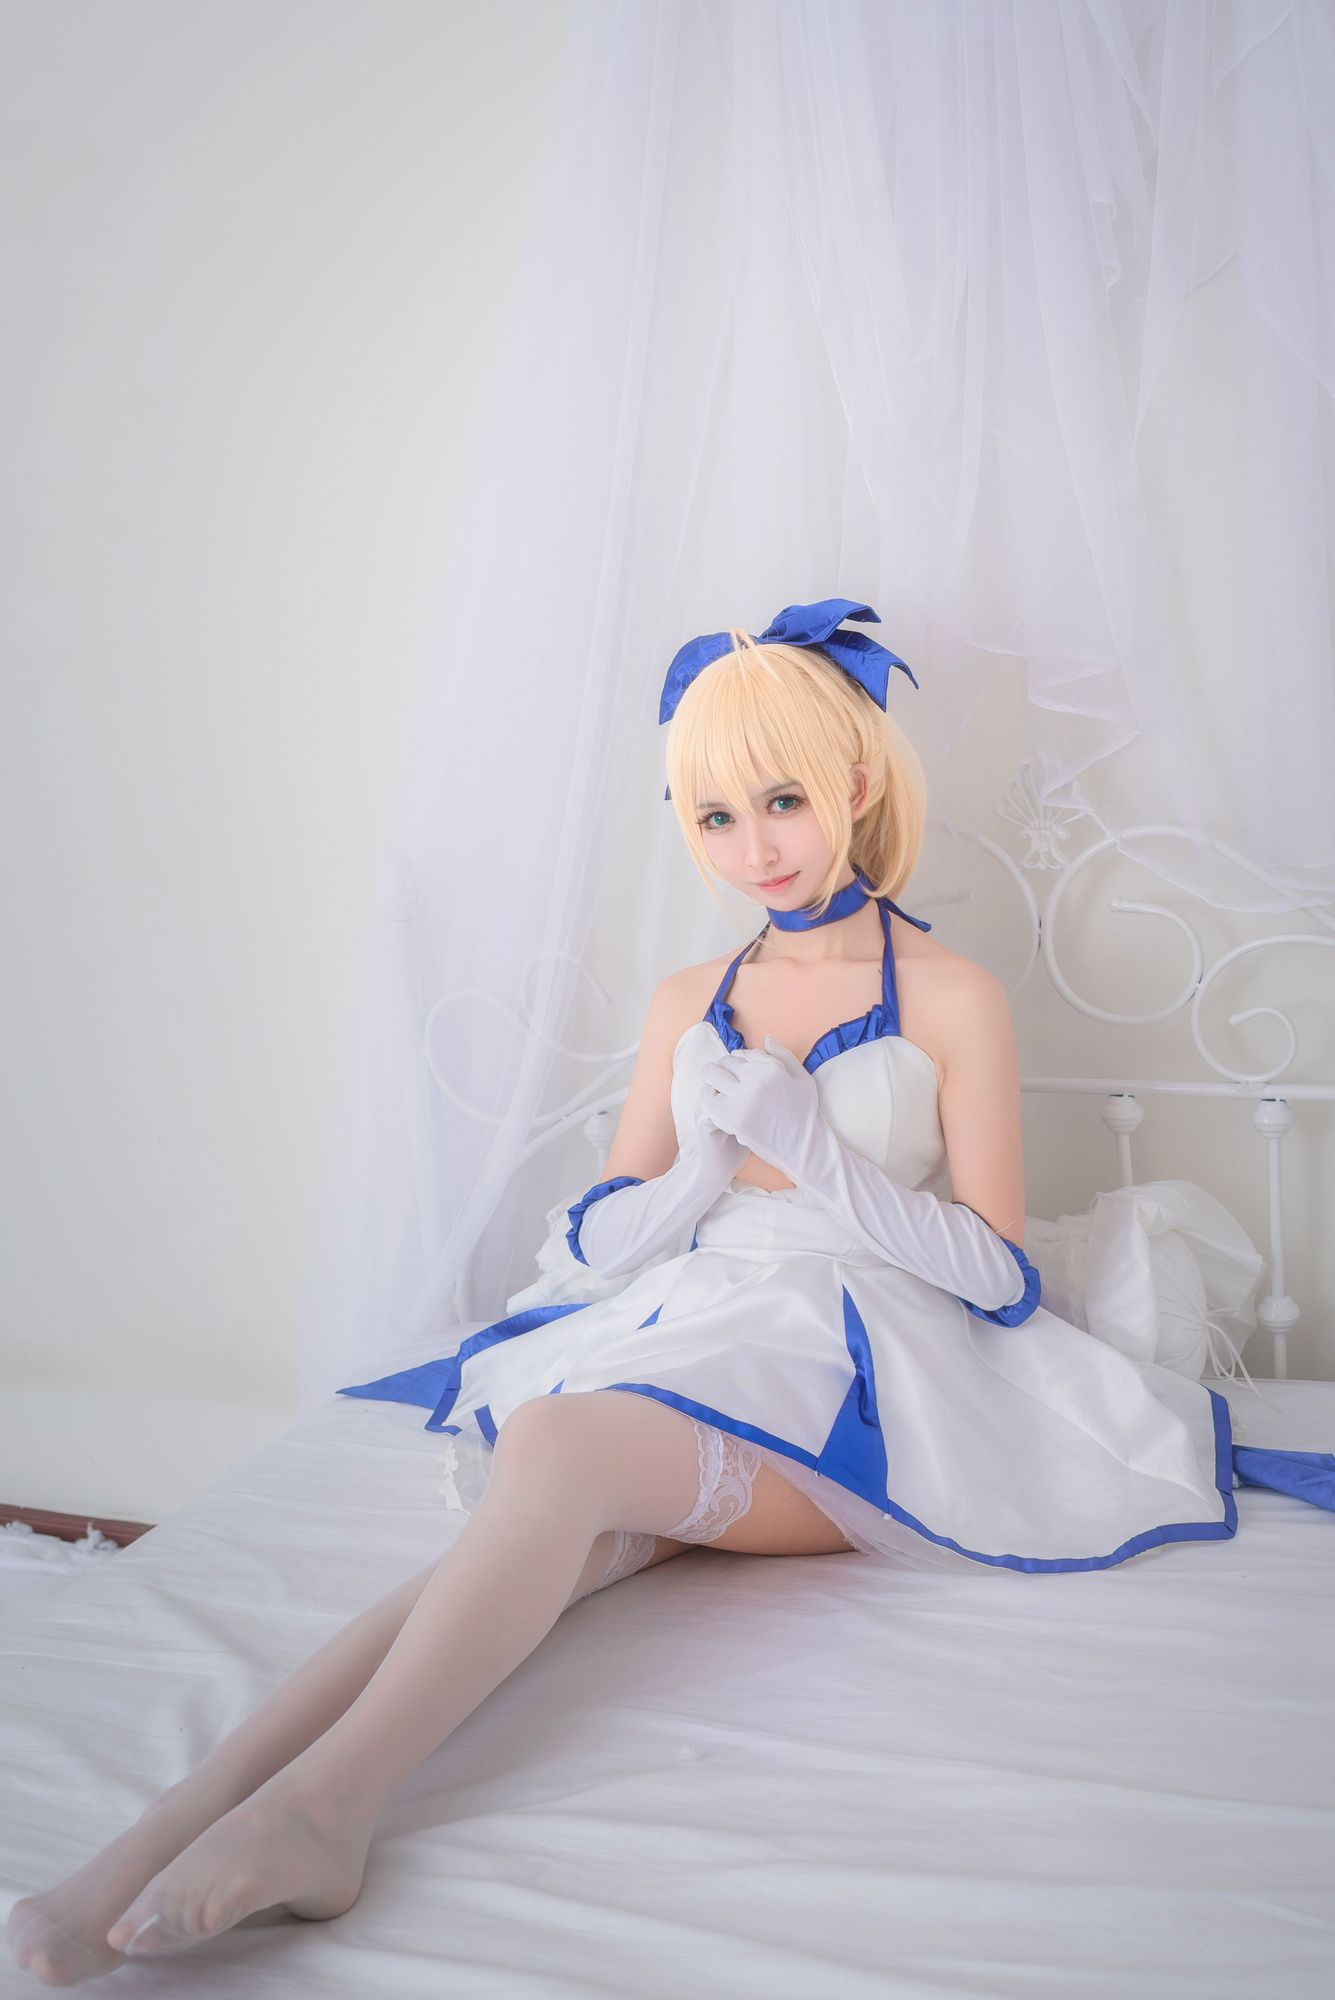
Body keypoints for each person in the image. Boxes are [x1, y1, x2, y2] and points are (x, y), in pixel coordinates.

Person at [2, 598, 1264, 1984]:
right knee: (489, 1563)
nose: (755, 849)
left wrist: (816, 1159)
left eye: (782, 801)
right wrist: (702, 1170)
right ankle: (153, 1840)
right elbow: (604, 1241)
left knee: (554, 1445)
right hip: (702, 1326)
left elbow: (1001, 1279)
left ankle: (322, 1813)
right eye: (716, 817)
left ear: (854, 782)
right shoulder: (688, 998)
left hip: (867, 1375)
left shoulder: (954, 995)